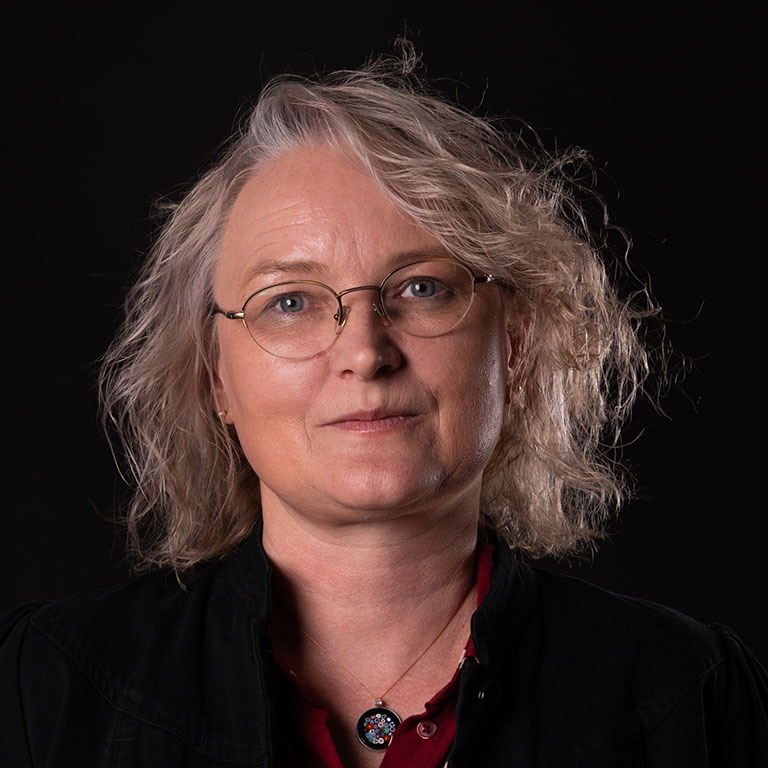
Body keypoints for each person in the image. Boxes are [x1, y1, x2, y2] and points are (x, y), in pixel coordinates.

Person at [2, 51, 766, 767]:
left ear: (515, 344)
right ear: (216, 378)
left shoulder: (691, 697)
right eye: (290, 302)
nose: (365, 351)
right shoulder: (41, 688)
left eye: (422, 288)